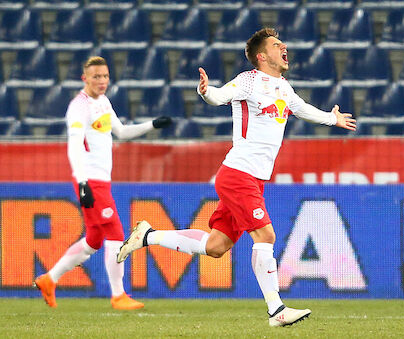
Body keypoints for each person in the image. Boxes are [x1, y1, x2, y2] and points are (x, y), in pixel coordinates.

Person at [117, 28, 356, 326]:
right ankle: (276, 310)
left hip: (252, 178)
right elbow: (221, 96)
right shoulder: (249, 80)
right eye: (276, 44)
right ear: (262, 56)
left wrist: (332, 118)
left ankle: (148, 236)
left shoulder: (283, 87)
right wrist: (206, 91)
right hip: (238, 174)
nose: (284, 48)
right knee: (265, 235)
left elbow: (303, 109)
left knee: (216, 247)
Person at [34, 56, 173, 310]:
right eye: (96, 76)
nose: (101, 81)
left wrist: (152, 125)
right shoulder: (79, 107)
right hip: (91, 181)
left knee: (94, 240)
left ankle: (49, 279)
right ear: (84, 78)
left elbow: (120, 132)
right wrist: (83, 182)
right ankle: (118, 295)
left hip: (100, 181)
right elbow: (74, 145)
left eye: (105, 76)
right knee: (116, 234)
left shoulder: (104, 102)